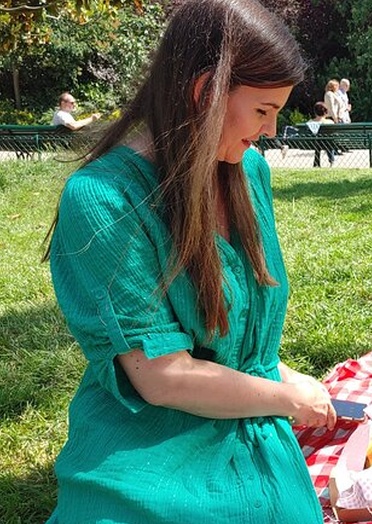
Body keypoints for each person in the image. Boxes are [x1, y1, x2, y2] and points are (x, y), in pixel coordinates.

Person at [42, 0, 336, 521]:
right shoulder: (102, 200)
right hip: (149, 456)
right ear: (205, 92)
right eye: (264, 110)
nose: (270, 132)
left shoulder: (247, 172)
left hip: (249, 430)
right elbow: (163, 378)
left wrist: (284, 380)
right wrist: (288, 399)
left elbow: (236, 341)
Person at [308, 101, 335, 167]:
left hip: (312, 144)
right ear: (326, 112)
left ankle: (316, 163)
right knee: (329, 142)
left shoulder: (310, 122)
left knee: (318, 142)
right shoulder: (330, 122)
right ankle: (331, 161)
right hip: (327, 144)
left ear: (315, 112)